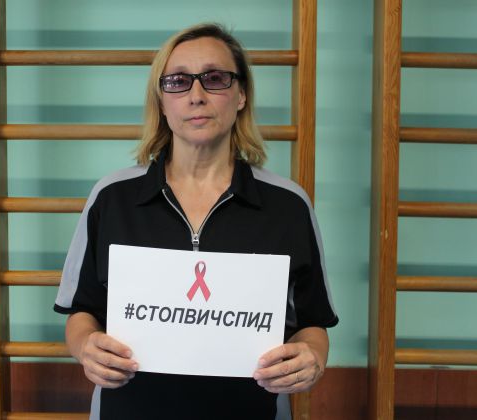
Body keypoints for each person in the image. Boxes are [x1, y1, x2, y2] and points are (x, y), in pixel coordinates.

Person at [54, 23, 338, 420]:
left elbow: (312, 323)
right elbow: (81, 311)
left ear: (241, 95)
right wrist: (86, 346)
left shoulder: (288, 205)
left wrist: (313, 358)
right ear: (162, 101)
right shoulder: (112, 198)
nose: (197, 95)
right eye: (178, 81)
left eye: (215, 78)